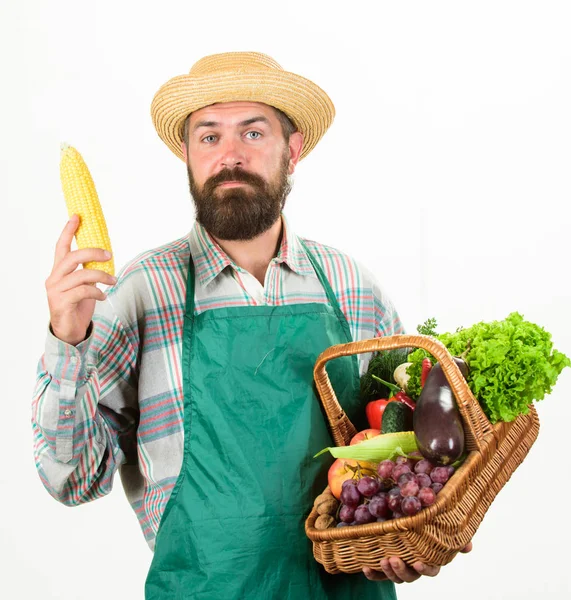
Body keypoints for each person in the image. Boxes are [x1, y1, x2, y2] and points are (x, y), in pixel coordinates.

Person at [33, 51, 471, 599]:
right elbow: (70, 479)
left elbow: (407, 455)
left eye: (253, 133)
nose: (230, 156)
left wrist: (411, 542)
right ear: (189, 157)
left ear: (293, 150)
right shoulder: (143, 292)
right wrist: (68, 343)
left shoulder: (351, 287)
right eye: (209, 137)